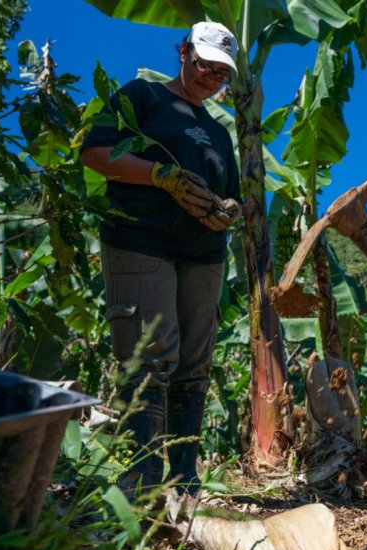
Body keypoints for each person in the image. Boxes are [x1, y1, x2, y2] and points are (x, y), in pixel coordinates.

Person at [80, 21, 242, 495]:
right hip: (141, 242)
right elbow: (95, 152)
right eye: (205, 67)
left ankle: (184, 481)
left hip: (203, 254)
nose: (212, 80)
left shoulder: (219, 131)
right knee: (151, 356)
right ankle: (141, 481)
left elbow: (232, 195)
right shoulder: (143, 98)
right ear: (183, 52)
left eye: (221, 75)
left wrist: (229, 209)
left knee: (194, 362)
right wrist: (161, 175)